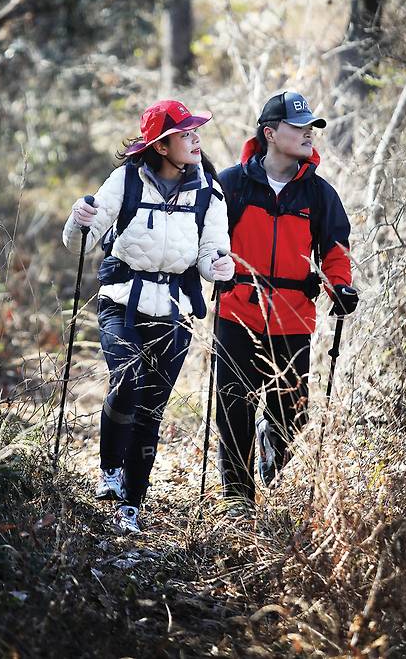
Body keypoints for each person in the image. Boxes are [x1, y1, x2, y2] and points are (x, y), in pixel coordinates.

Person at [62, 99, 234, 535]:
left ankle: (131, 507)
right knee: (128, 377)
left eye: (197, 132)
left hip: (174, 310)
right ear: (161, 145)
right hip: (122, 301)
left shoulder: (210, 192)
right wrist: (78, 219)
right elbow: (81, 240)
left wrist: (221, 267)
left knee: (152, 411)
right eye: (186, 133)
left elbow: (212, 252)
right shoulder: (125, 181)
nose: (196, 139)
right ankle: (109, 472)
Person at [215, 91, 358, 502]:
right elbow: (208, 240)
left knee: (292, 414)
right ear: (271, 133)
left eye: (311, 127)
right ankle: (237, 501)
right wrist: (214, 268)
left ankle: (271, 453)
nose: (308, 133)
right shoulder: (230, 185)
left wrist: (339, 286)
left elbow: (334, 251)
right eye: (298, 127)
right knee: (233, 407)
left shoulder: (318, 194)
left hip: (293, 316)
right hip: (237, 312)